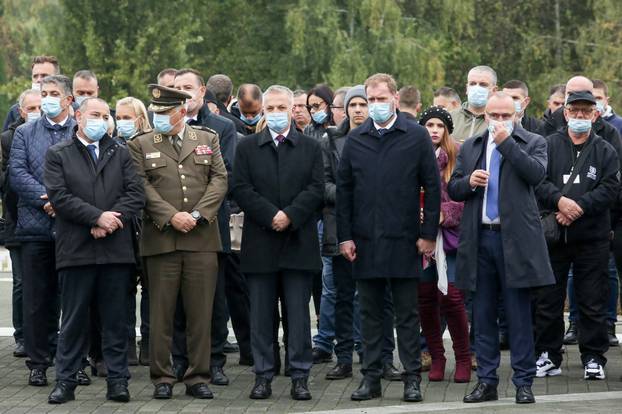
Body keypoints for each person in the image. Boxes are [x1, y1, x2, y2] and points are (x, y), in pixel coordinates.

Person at [337, 73, 441, 403]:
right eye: (372, 100)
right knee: (368, 313)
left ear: (395, 99)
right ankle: (371, 377)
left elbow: (433, 187)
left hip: (405, 239)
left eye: (382, 99)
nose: (377, 106)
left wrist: (428, 235)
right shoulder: (356, 139)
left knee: (407, 314)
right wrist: (345, 237)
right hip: (365, 241)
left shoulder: (415, 135)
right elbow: (345, 192)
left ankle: (411, 377)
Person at [447, 92, 555, 405]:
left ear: (517, 114)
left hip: (515, 242)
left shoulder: (533, 141)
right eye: (493, 116)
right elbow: (453, 188)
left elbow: (535, 174)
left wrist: (506, 142)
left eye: (505, 115)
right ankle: (487, 381)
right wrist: (469, 181)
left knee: (519, 315)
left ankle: (523, 381)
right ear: (485, 116)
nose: (498, 121)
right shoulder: (471, 146)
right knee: (481, 315)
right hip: (480, 238)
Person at [128, 84, 227, 400]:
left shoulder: (207, 139)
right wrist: (171, 216)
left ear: (182, 111)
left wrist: (198, 215)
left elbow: (220, 179)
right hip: (162, 240)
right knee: (161, 313)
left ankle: (198, 375)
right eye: (155, 112)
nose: (157, 118)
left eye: (164, 113)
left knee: (200, 313)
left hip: (201, 238)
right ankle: (162, 376)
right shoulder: (141, 144)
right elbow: (140, 185)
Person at [44, 97, 144, 404]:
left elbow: (135, 194)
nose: (101, 119)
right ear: (78, 116)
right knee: (73, 321)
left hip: (115, 250)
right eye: (94, 114)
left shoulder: (120, 152)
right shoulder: (58, 153)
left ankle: (118, 381)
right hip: (77, 249)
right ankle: (65, 381)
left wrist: (110, 221)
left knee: (116, 321)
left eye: (105, 115)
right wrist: (95, 217)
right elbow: (60, 196)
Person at [232, 85, 324, 401]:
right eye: (269, 108)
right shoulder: (246, 147)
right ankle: (263, 375)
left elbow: (316, 189)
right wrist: (272, 215)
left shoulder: (311, 147)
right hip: (261, 242)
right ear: (262, 111)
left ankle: (300, 376)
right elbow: (241, 189)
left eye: (281, 107)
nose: (275, 113)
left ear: (292, 109)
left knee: (298, 316)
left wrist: (290, 215)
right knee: (261, 316)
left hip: (298, 242)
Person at [533, 91, 619, 381]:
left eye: (586, 111)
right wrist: (560, 202)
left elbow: (610, 188)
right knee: (548, 300)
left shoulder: (605, 149)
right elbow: (538, 181)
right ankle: (548, 355)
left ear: (595, 115)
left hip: (592, 238)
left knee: (592, 299)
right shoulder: (548, 145)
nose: (580, 116)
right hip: (555, 236)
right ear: (565, 113)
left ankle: (593, 356)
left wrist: (579, 207)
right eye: (575, 110)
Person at [172, 68, 247, 386]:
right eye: (177, 88)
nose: (183, 93)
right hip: (172, 224)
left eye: (189, 87)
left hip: (209, 225)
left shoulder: (221, 127)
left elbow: (225, 175)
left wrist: (197, 212)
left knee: (214, 299)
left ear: (202, 91)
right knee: (176, 299)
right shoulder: (163, 125)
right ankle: (180, 360)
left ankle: (214, 361)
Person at [10, 75, 79, 387]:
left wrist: (63, 203)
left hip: (73, 229)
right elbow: (17, 173)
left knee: (75, 300)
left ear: (68, 100)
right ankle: (38, 363)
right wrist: (48, 200)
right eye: (43, 92)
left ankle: (74, 362)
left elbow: (89, 174)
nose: (48, 98)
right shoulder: (24, 133)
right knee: (37, 302)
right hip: (35, 229)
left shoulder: (80, 131)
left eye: (54, 93)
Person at [417, 106, 471, 383]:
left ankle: (464, 357)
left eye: (440, 125)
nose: (435, 130)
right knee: (426, 300)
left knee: (452, 298)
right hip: (421, 239)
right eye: (429, 125)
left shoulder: (456, 157)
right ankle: (437, 357)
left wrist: (443, 213)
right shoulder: (412, 156)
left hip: (450, 241)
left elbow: (465, 199)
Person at [0, 89, 41, 358]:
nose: (37, 112)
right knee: (21, 282)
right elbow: (7, 179)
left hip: (48, 221)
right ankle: (22, 335)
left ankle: (47, 334)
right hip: (17, 218)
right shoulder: (8, 138)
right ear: (21, 111)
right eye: (32, 108)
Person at [115, 96, 153, 367]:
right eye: (118, 117)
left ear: (140, 119)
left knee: (153, 290)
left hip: (150, 225)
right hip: (123, 227)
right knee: (123, 290)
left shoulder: (153, 145)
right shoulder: (112, 147)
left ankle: (150, 347)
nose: (121, 122)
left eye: (127, 117)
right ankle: (126, 345)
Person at [3, 56, 60, 131]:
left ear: (57, 78)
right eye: (35, 76)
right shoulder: (16, 110)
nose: (39, 80)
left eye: (44, 76)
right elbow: (7, 139)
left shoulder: (70, 107)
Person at [450, 65, 497, 143]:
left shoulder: (499, 120)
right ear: (467, 88)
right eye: (472, 83)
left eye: (483, 84)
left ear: (494, 90)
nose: (476, 88)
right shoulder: (451, 117)